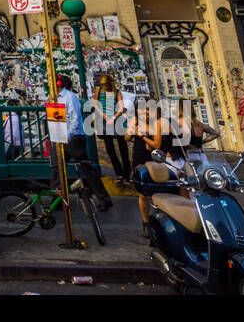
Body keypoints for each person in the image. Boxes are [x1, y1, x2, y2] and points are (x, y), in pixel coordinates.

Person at [55, 75, 112, 212]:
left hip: (73, 138)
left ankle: (104, 199)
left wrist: (66, 136)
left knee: (87, 169)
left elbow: (75, 118)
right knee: (56, 168)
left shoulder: (70, 97)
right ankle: (57, 199)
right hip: (60, 137)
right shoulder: (55, 98)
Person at [126, 99, 169, 236]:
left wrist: (142, 135)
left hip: (155, 157)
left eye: (147, 110)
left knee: (159, 189)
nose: (145, 113)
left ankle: (160, 220)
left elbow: (157, 144)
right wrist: (132, 130)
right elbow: (126, 138)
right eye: (142, 110)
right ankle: (146, 223)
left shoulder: (156, 123)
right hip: (139, 156)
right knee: (143, 193)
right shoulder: (135, 121)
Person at [96, 74, 131, 184]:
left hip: (117, 120)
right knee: (110, 149)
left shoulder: (117, 92)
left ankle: (127, 174)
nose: (105, 87)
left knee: (123, 148)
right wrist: (104, 115)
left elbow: (121, 107)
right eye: (103, 85)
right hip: (105, 120)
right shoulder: (99, 90)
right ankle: (119, 174)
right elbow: (96, 104)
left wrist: (114, 117)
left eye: (106, 85)